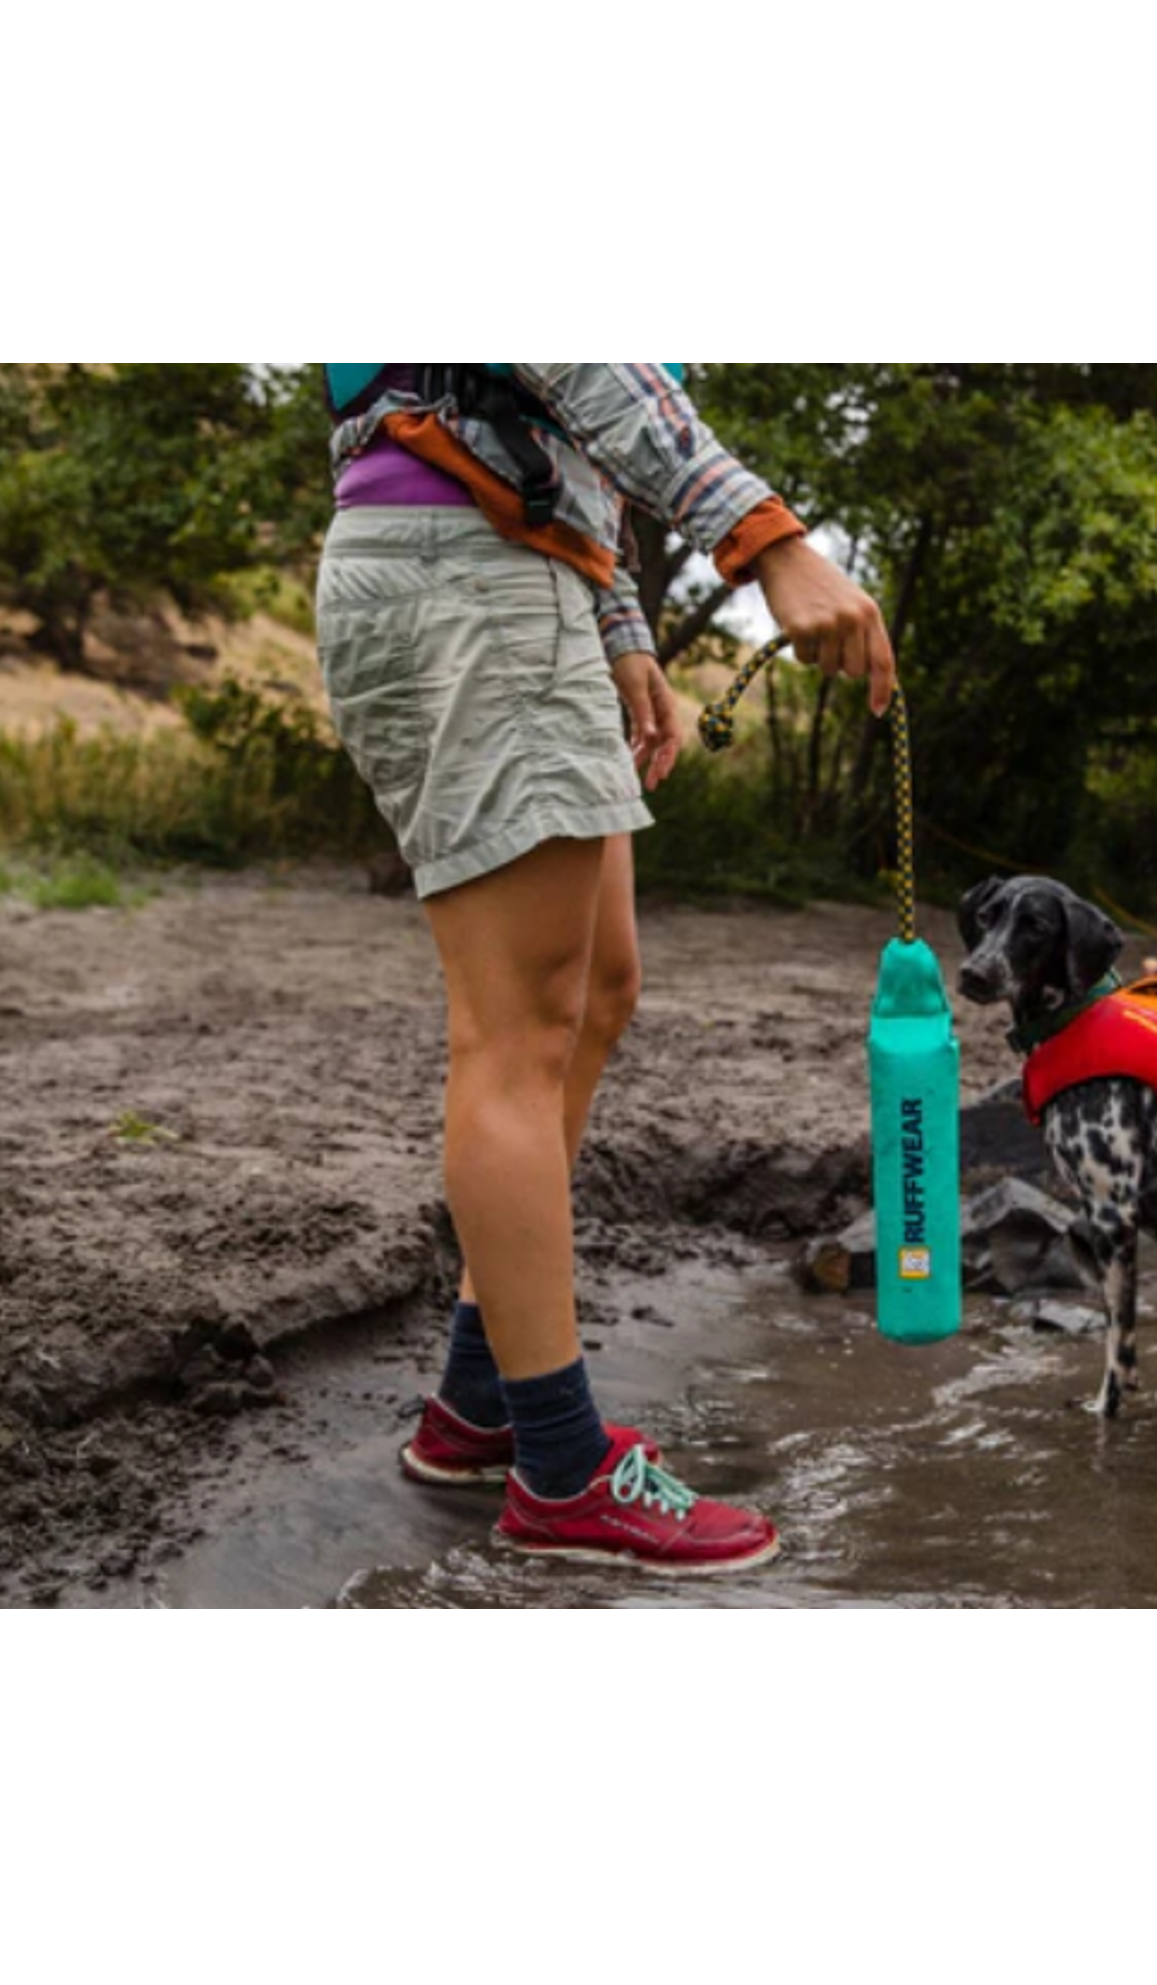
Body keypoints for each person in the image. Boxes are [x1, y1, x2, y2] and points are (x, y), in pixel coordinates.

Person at [316, 364, 895, 1573]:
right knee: (515, 1031)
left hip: (512, 572)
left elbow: (544, 428)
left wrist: (617, 627)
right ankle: (564, 1473)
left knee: (596, 995)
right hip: (463, 573)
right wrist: (769, 541)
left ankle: (482, 1405)